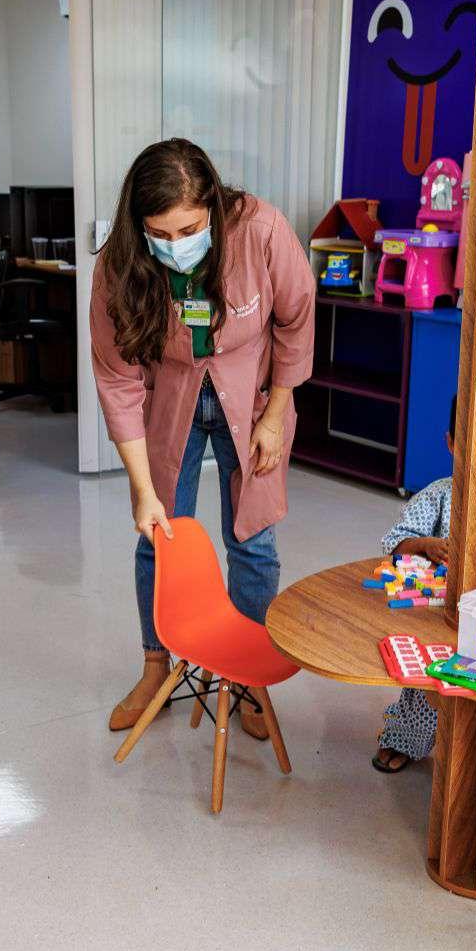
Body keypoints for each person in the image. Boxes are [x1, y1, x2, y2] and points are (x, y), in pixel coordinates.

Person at [92, 139, 314, 737]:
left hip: (254, 400)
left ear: (213, 206)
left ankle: (250, 673)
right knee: (159, 535)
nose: (175, 245)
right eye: (159, 234)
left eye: (189, 230)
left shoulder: (261, 231)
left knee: (253, 537)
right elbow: (117, 380)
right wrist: (143, 491)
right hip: (172, 403)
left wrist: (275, 416)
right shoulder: (120, 264)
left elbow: (296, 320)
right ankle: (155, 666)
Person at [373, 401, 455, 774]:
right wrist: (424, 545)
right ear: (450, 443)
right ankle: (407, 736)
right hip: (438, 612)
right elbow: (393, 544)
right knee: (426, 672)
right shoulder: (438, 495)